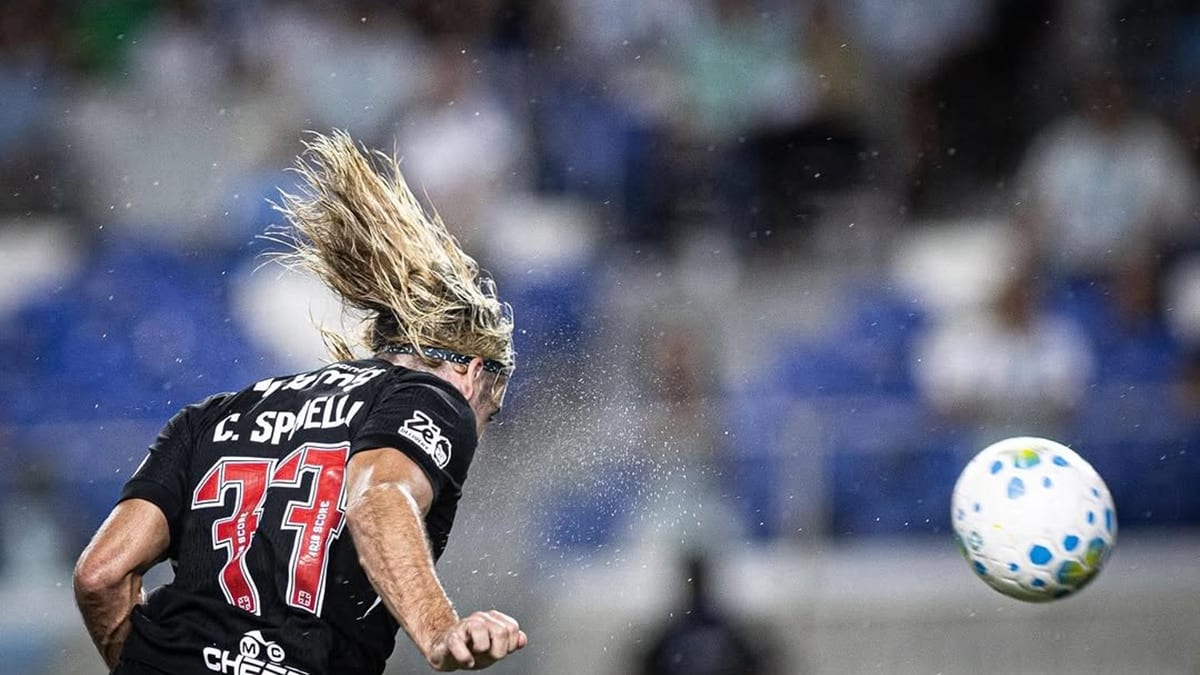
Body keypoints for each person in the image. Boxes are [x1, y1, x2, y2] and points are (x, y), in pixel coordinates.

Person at [72, 131, 527, 674]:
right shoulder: (437, 396)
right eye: (486, 418)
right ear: (473, 372)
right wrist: (440, 631)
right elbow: (378, 499)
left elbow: (100, 574)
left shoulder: (211, 417)